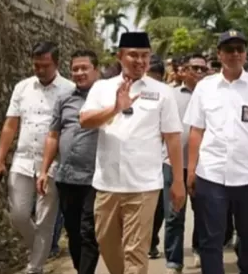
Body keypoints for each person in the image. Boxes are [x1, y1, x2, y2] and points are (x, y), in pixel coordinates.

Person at [79, 32, 186, 274]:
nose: (140, 61)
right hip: (107, 185)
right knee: (108, 246)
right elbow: (85, 120)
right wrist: (116, 108)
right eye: (133, 55)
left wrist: (178, 182)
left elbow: (172, 138)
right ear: (120, 56)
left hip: (143, 186)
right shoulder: (102, 87)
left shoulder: (162, 91)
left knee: (135, 255)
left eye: (145, 56)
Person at [184, 29, 248, 274]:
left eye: (240, 49)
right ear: (220, 54)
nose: (235, 54)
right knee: (211, 239)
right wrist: (191, 170)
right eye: (229, 50)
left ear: (246, 53)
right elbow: (197, 131)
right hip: (211, 174)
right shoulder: (205, 87)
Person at [0, 42, 75, 274]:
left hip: (52, 164)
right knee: (18, 214)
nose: (39, 70)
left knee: (46, 220)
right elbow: (10, 125)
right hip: (23, 160)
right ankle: (40, 249)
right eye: (36, 65)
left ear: (56, 63)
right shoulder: (22, 88)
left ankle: (35, 267)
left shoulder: (69, 90)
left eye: (45, 66)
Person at [36, 50, 101, 274]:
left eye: (85, 68)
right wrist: (44, 170)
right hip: (67, 177)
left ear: (96, 70)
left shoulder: (106, 98)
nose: (80, 72)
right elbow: (53, 135)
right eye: (75, 69)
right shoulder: (64, 99)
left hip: (96, 178)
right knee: (73, 231)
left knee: (87, 231)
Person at [165, 53, 208, 273]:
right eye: (195, 68)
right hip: (173, 163)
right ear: (184, 70)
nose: (199, 72)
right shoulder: (170, 95)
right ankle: (174, 260)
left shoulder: (212, 95)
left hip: (205, 165)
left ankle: (200, 250)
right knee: (174, 213)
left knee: (204, 212)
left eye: (203, 68)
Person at [147, 55, 167, 259]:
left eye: (155, 77)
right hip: (139, 161)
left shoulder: (167, 96)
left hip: (162, 160)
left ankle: (151, 240)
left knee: (159, 206)